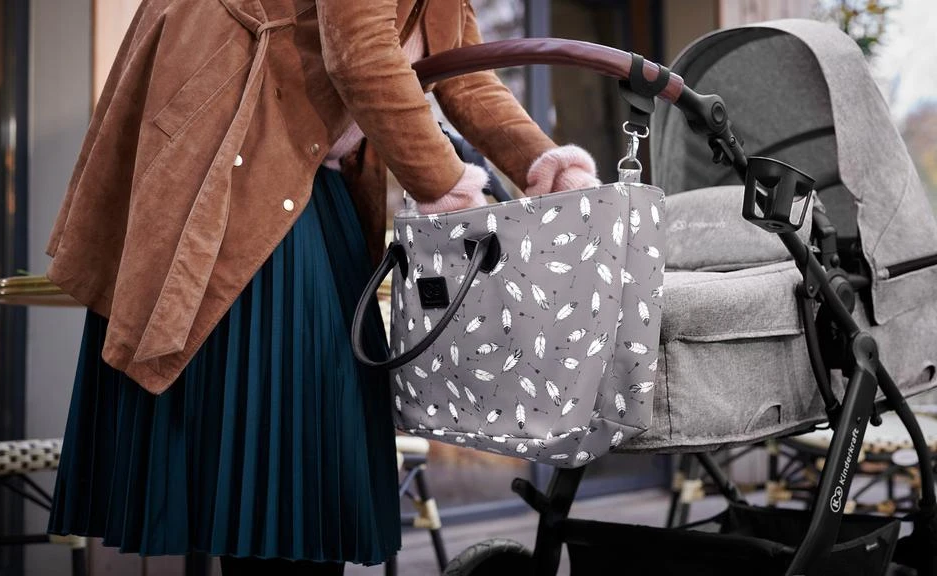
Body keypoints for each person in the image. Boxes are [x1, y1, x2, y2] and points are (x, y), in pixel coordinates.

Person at [44, 1, 600, 574]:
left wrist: (551, 169)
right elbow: (362, 54)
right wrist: (450, 187)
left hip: (312, 179)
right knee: (281, 466)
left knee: (314, 465)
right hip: (237, 163)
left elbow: (465, 76)